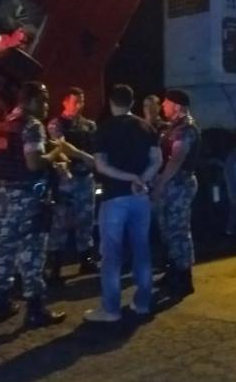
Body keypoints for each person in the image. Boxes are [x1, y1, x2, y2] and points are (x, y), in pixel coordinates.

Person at [0, 81, 79, 327]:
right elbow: (34, 163)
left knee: (5, 247)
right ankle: (35, 310)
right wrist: (56, 153)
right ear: (32, 101)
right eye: (44, 100)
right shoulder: (32, 126)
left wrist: (7, 174)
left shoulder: (2, 123)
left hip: (5, 194)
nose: (47, 106)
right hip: (28, 196)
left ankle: (2, 303)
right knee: (32, 251)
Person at [83, 84, 162, 322]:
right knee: (142, 249)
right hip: (140, 198)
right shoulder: (146, 127)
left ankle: (110, 309)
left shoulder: (105, 130)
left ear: (111, 102)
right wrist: (141, 180)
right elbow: (156, 161)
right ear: (132, 102)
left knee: (111, 254)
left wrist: (128, 178)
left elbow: (101, 165)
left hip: (114, 198)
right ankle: (143, 303)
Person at [45, 87, 99, 284]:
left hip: (85, 178)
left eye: (81, 102)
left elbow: (95, 149)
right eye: (75, 101)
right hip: (66, 178)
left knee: (86, 219)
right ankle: (55, 265)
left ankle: (86, 258)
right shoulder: (56, 124)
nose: (78, 106)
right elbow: (60, 147)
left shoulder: (89, 125)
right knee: (60, 222)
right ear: (65, 102)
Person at [151, 89, 201, 299]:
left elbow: (177, 158)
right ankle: (173, 271)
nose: (163, 105)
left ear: (177, 106)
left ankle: (184, 278)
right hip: (171, 184)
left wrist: (160, 184)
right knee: (167, 229)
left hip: (178, 184)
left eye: (167, 103)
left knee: (179, 231)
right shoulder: (174, 127)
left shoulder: (186, 128)